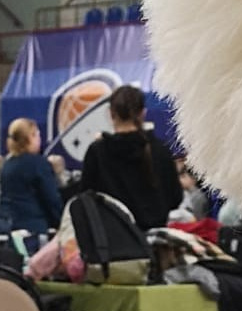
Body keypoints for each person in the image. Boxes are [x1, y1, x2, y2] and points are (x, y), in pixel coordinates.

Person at [77, 85, 182, 229]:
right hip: (155, 237)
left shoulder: (97, 152)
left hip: (113, 238)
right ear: (143, 113)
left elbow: (85, 199)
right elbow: (175, 198)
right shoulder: (160, 150)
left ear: (111, 114)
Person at [0, 117, 62, 237]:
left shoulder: (6, 165)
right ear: (30, 138)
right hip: (34, 228)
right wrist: (60, 222)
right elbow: (51, 199)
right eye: (37, 135)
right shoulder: (38, 164)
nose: (40, 139)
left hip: (8, 226)